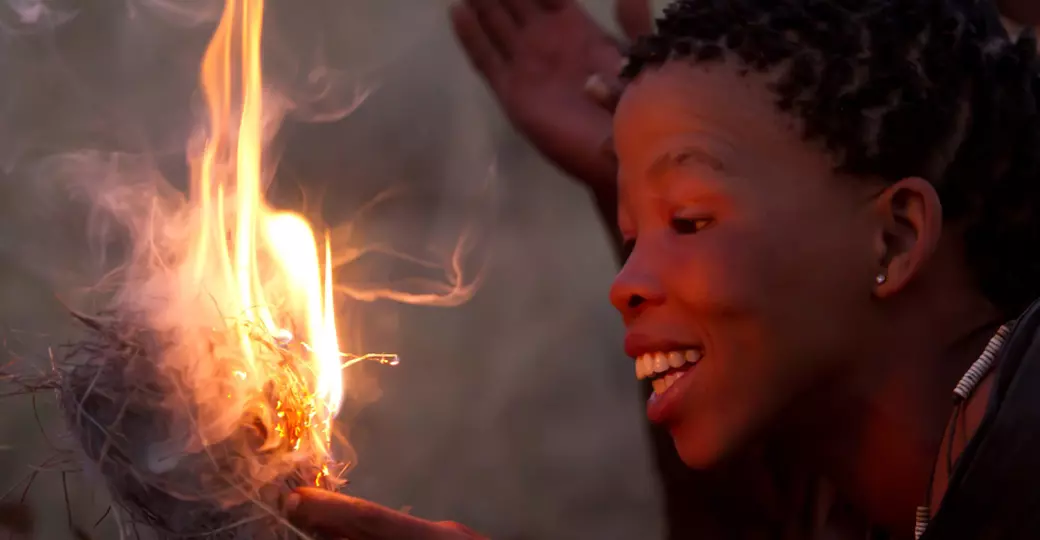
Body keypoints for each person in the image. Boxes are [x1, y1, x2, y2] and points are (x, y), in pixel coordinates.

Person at [284, 0, 1040, 538]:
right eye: (631, 233)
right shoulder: (852, 485)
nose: (626, 285)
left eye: (689, 220)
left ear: (896, 238)